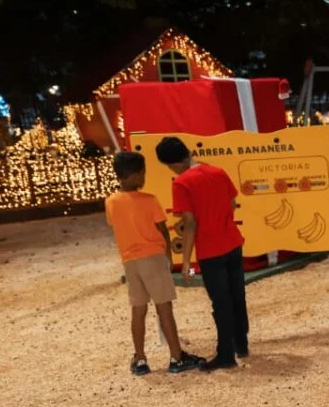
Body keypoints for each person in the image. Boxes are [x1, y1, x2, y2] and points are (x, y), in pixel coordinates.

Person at [104, 151, 204, 376]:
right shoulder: (149, 200)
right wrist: (167, 256)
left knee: (138, 310)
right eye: (143, 173)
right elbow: (162, 230)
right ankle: (176, 357)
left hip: (130, 261)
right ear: (136, 175)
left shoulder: (110, 202)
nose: (144, 176)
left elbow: (116, 225)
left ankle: (140, 359)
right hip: (153, 258)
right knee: (164, 308)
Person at [155, 136, 249, 372]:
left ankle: (225, 354)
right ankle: (242, 344)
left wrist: (185, 260)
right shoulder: (217, 171)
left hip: (210, 249)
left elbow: (190, 223)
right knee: (237, 295)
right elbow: (233, 202)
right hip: (232, 241)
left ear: (172, 164)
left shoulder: (182, 183)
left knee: (221, 302)